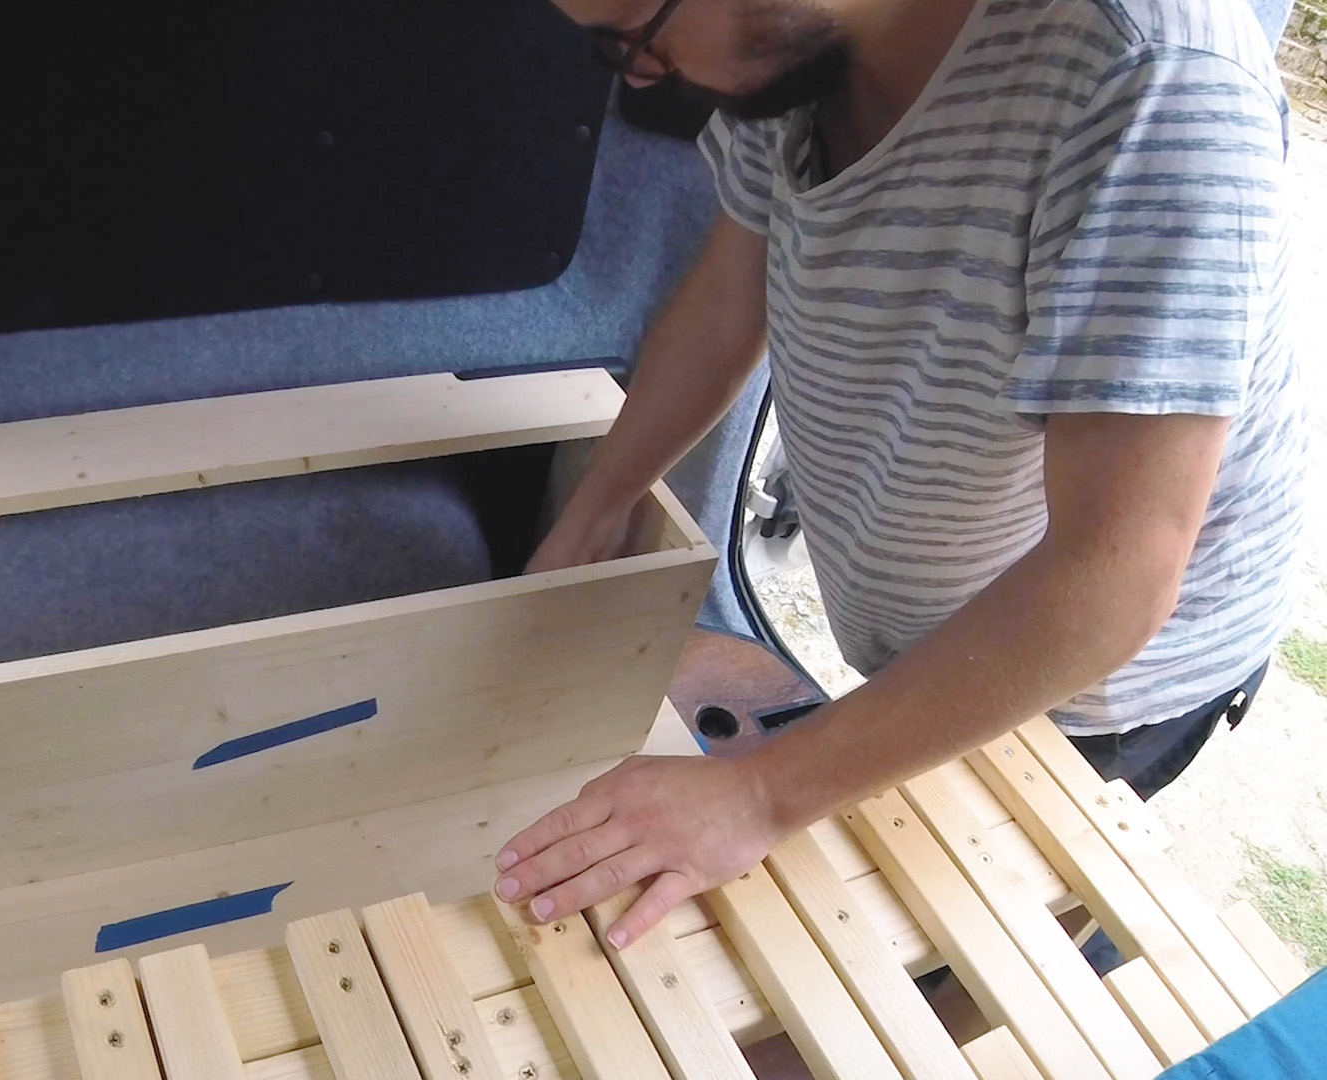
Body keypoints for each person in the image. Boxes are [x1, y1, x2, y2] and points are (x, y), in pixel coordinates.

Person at [497, 0, 1306, 954]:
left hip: (1095, 686)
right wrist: (597, 509)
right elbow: (729, 295)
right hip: (949, 619)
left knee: (952, 973)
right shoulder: (797, 49)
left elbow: (1118, 573)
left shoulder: (1153, 77)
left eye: (635, 29)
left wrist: (757, 794)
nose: (636, 73)